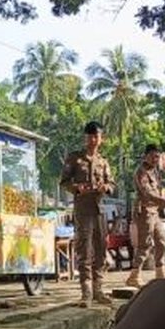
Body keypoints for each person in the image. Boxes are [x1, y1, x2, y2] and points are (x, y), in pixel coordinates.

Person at [60, 121, 115, 306]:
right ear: (85, 138)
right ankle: (86, 292)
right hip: (83, 210)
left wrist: (105, 187)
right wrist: (77, 188)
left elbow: (112, 185)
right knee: (84, 249)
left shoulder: (103, 162)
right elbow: (64, 182)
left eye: (96, 136)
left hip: (99, 209)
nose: (93, 140)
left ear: (101, 139)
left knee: (100, 249)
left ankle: (98, 289)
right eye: (89, 136)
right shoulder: (75, 158)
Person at [125, 144, 165, 288]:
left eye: (157, 157)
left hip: (155, 212)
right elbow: (147, 193)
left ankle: (160, 273)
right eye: (153, 156)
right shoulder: (140, 172)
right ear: (145, 156)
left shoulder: (155, 171)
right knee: (145, 245)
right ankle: (134, 276)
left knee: (161, 240)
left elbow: (158, 190)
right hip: (144, 211)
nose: (155, 159)